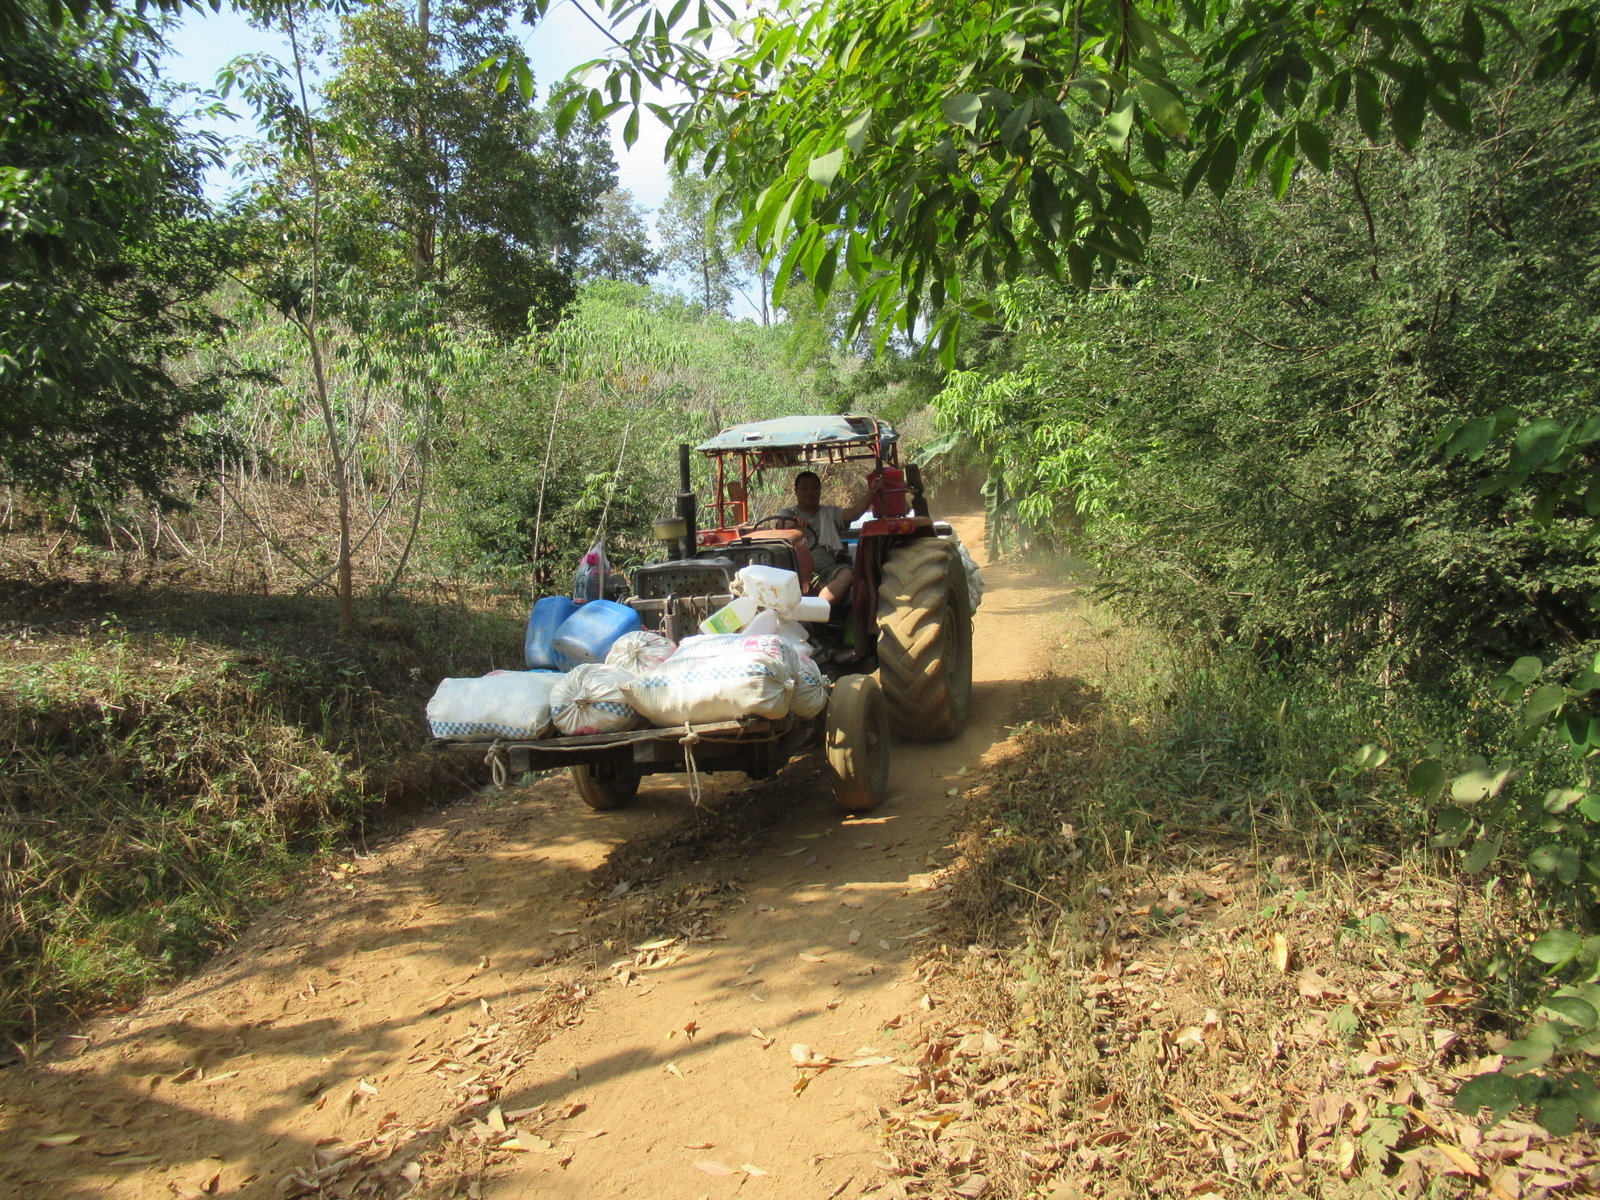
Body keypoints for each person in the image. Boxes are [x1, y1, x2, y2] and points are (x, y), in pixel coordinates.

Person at [775, 469, 878, 606]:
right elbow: (780, 525)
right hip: (795, 572)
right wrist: (794, 523)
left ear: (819, 490)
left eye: (814, 488)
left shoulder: (830, 513)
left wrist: (872, 492)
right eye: (804, 488)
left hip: (827, 570)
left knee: (848, 574)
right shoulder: (788, 513)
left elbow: (853, 513)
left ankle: (816, 609)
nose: (809, 492)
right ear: (796, 491)